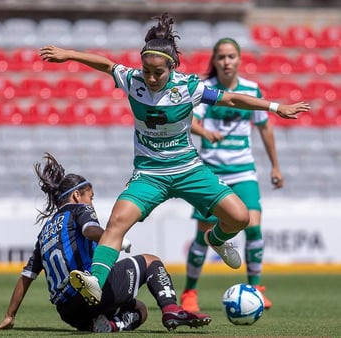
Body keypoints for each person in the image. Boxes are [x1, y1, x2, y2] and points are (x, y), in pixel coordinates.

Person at [39, 12, 310, 309]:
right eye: (147, 71)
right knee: (117, 221)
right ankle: (95, 281)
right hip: (149, 174)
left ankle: (216, 240)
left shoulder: (189, 88)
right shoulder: (133, 80)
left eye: (158, 73)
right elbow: (105, 64)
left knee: (241, 218)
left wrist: (275, 107)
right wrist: (68, 55)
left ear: (173, 67)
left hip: (188, 169)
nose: (151, 78)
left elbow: (232, 99)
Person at [0, 152, 211, 333]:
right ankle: (171, 309)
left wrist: (10, 315)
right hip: (92, 292)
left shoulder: (44, 232)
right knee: (151, 261)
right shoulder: (80, 210)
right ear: (77, 195)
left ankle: (109, 325)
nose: (92, 203)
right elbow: (90, 231)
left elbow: (27, 277)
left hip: (68, 312)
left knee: (140, 310)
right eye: (91, 196)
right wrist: (115, 238)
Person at [181, 38, 281, 313]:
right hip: (211, 170)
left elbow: (264, 128)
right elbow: (190, 119)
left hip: (243, 168)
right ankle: (189, 292)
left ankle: (257, 288)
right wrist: (205, 132)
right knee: (203, 235)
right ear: (214, 61)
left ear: (239, 60)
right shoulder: (206, 89)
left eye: (231, 56)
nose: (226, 62)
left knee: (254, 226)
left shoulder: (251, 88)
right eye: (221, 57)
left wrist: (275, 166)